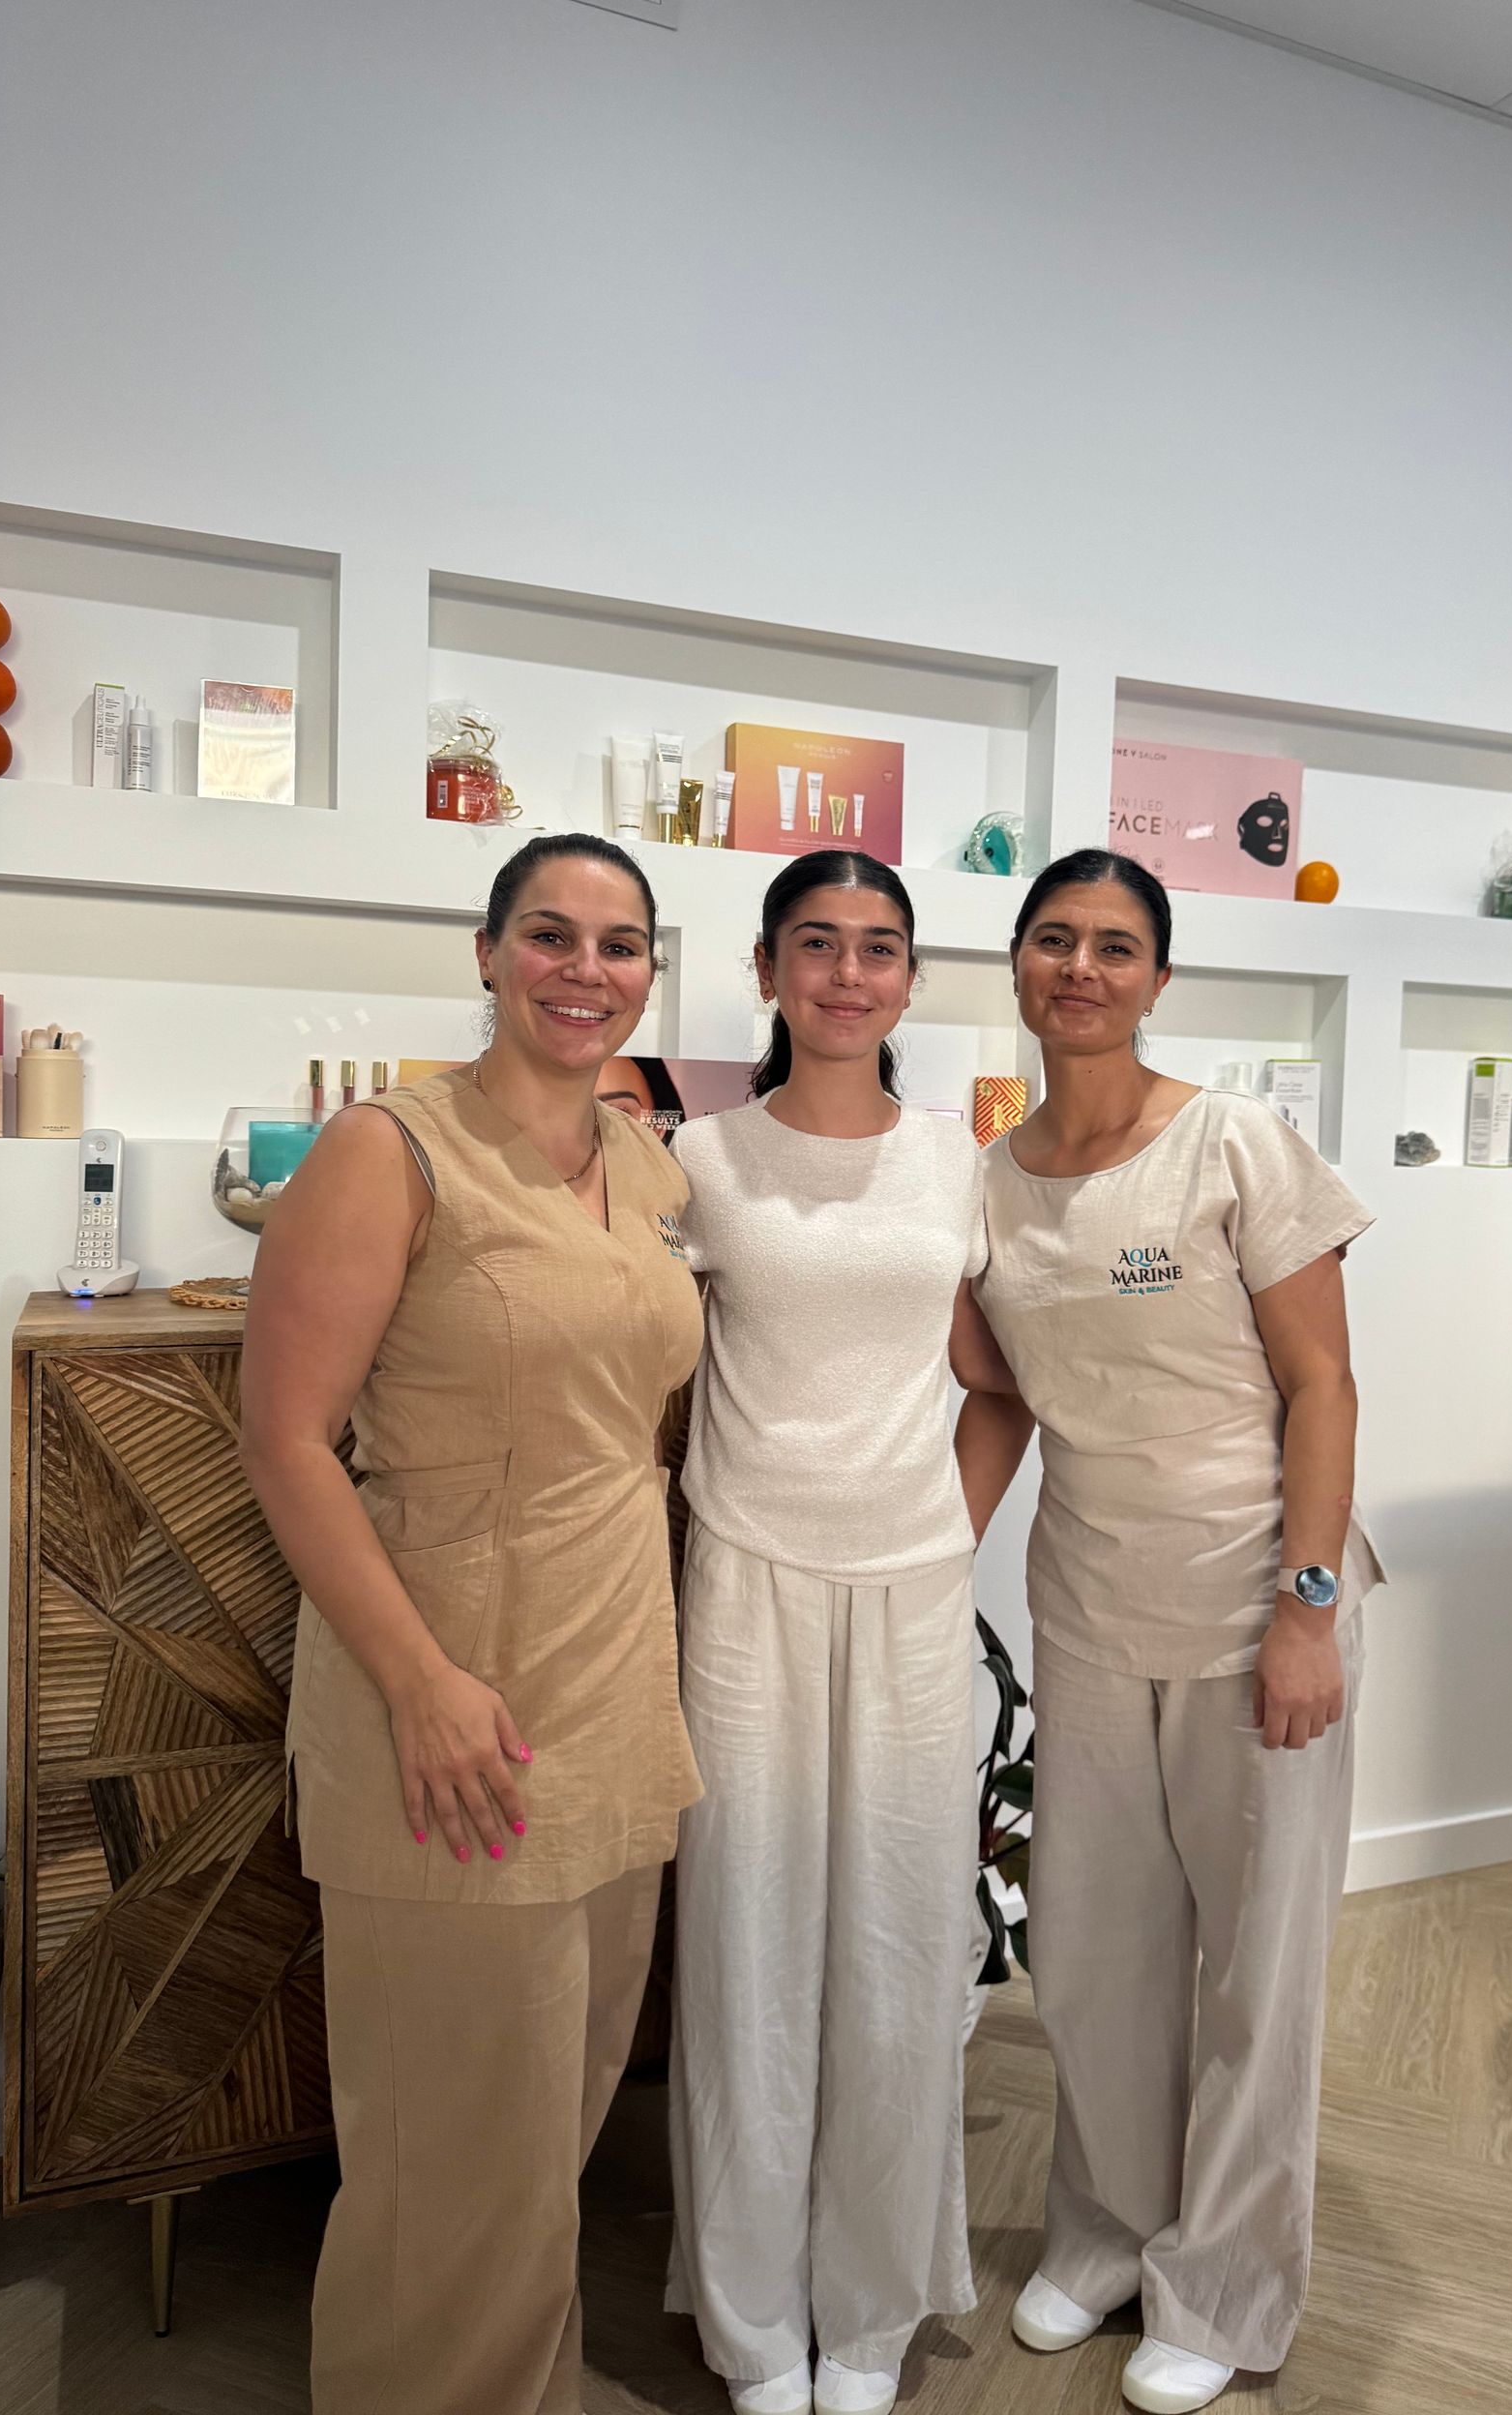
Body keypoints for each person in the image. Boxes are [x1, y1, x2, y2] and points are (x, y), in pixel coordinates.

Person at [240, 832, 703, 2415]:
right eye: (553, 936)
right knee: (447, 2158)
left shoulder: (640, 1159)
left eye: (621, 944)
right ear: (490, 952)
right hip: (449, 1700)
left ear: (655, 971)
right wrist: (421, 1682)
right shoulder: (389, 1148)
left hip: (615, 1686)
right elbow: (287, 1440)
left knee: (547, 2134)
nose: (588, 971)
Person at [954, 848, 1382, 2415]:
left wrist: (1308, 1609)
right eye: (1054, 940)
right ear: (1015, 966)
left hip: (1255, 1599)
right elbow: (995, 1385)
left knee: (1252, 1975)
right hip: (1089, 1605)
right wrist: (935, 1560)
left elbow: (1324, 1386)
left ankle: (1228, 2282)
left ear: (1158, 977)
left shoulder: (1232, 1144)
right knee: (1093, 1947)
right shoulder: (988, 1181)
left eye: (1116, 946)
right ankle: (1111, 2233)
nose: (1082, 967)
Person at [665, 850, 989, 2415]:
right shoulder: (698, 1157)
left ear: (912, 980)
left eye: (879, 949)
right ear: (770, 969)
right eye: (818, 945)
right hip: (745, 1587)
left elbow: (997, 1381)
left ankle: (865, 2313)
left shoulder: (956, 1160)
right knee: (747, 1946)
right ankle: (749, 2321)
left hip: (917, 1597)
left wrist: (945, 1527)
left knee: (903, 1947)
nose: (849, 974)